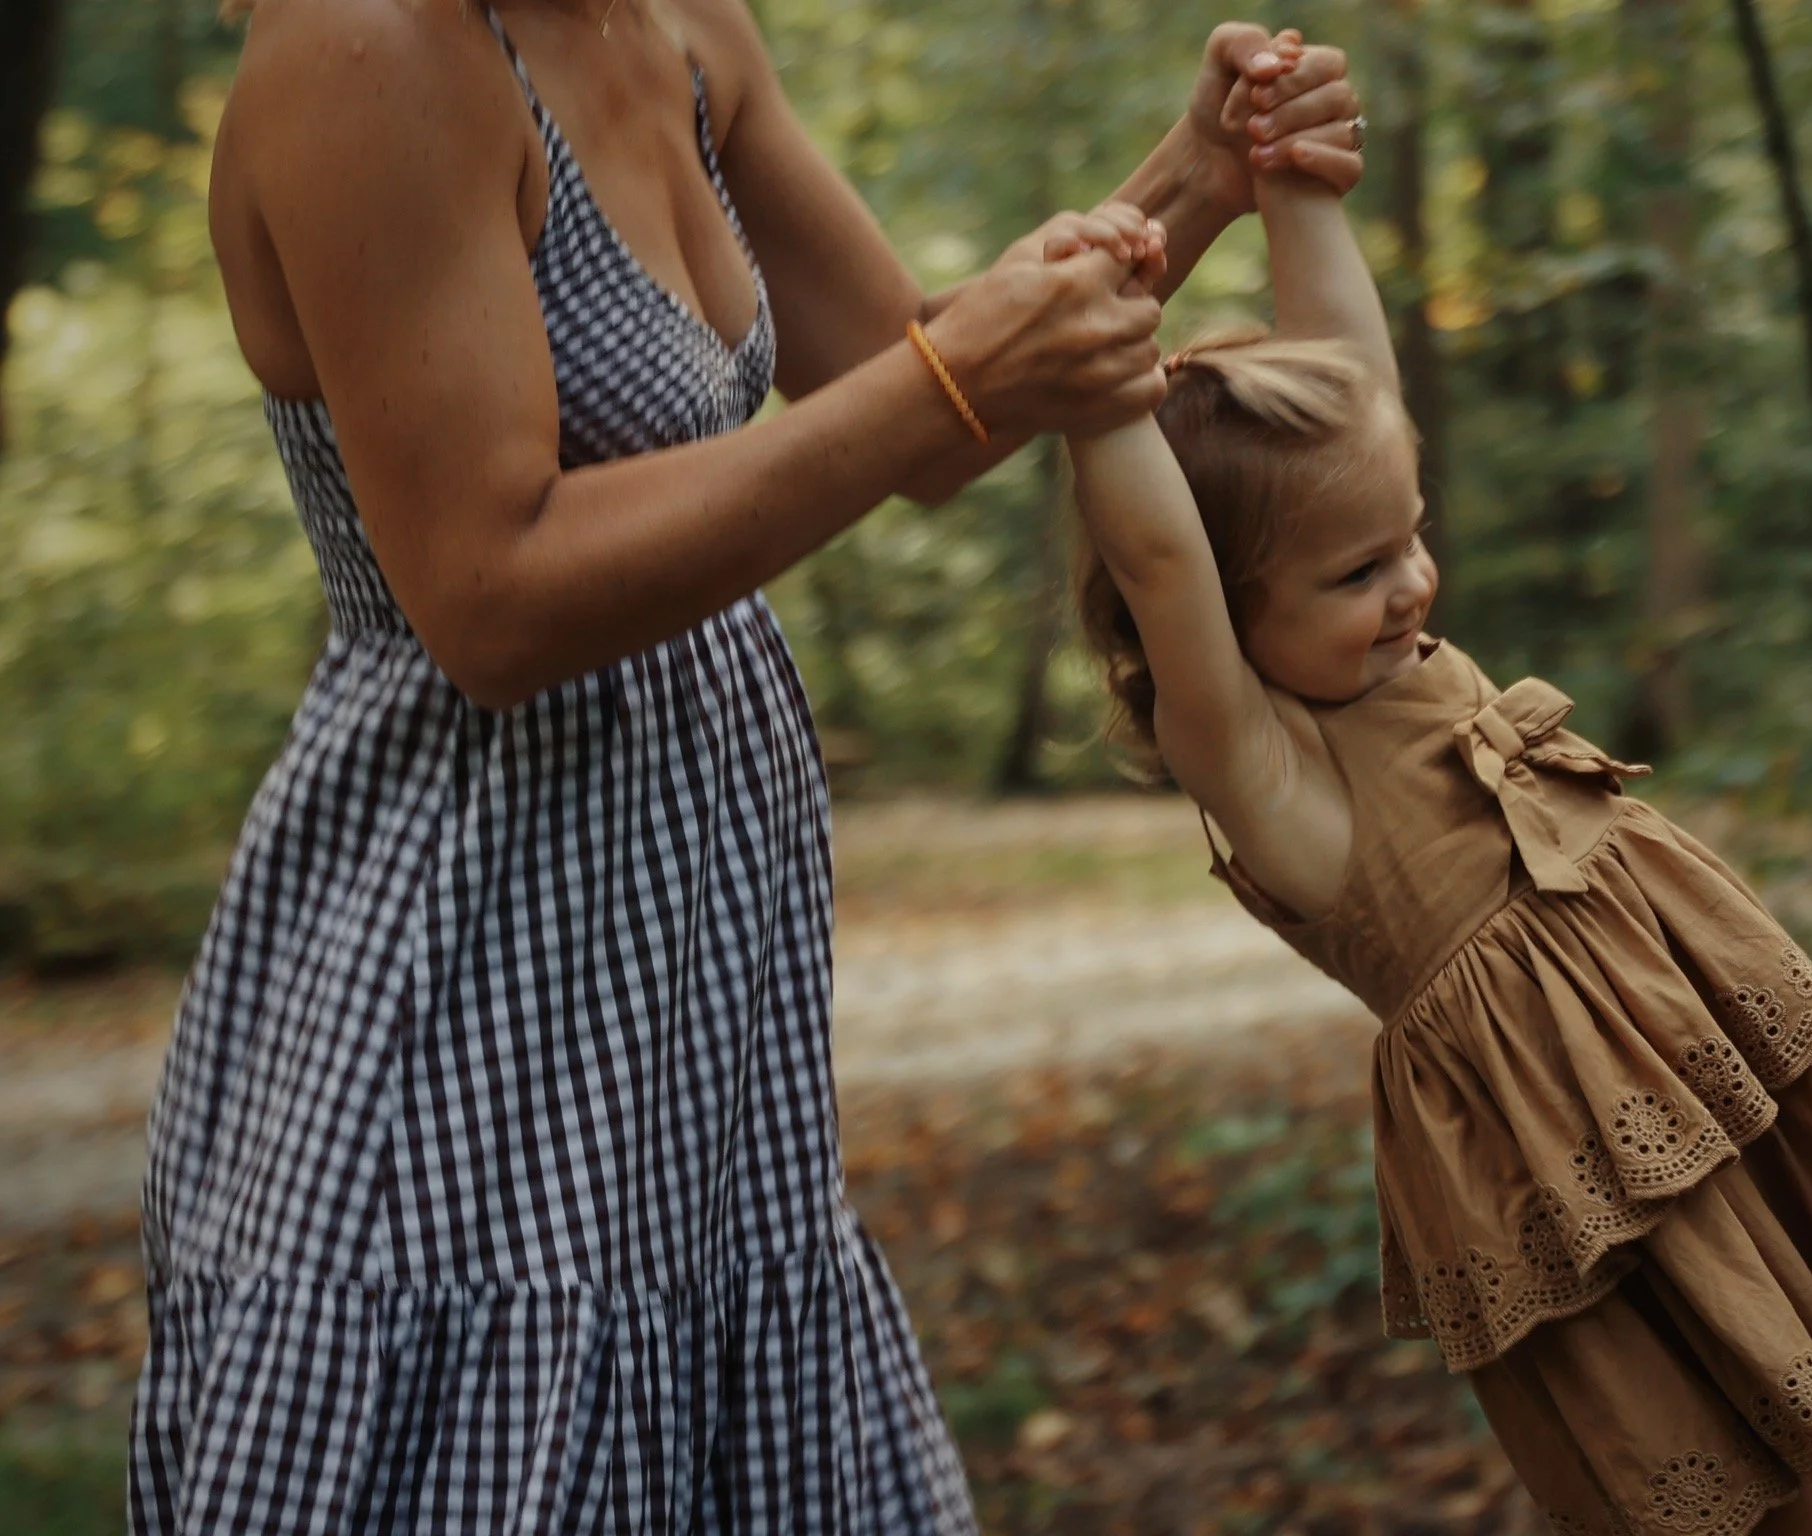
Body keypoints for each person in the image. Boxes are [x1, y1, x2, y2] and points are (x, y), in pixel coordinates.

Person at [132, 0, 1364, 1526]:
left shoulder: (686, 25)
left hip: (694, 1052)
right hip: (461, 1000)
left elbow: (925, 418)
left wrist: (1194, 175)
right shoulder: (368, 45)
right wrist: (950, 375)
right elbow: (489, 599)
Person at [1065, 159, 1812, 1535]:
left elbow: (1363, 389)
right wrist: (1095, 392)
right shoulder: (1268, 767)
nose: (1409, 580)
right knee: (1751, 1476)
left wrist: (1298, 190)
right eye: (1356, 574)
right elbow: (1163, 562)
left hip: (1703, 1057)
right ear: (1229, 627)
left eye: (1408, 538)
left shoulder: (1392, 647)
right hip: (1574, 1154)